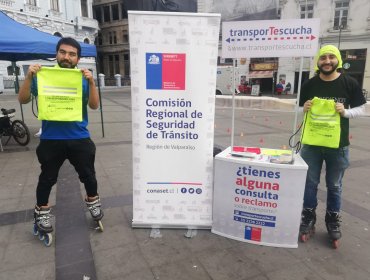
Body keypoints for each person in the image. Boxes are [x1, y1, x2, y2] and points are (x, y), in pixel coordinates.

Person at [18, 37, 103, 239]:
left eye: (72, 54)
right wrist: (29, 77)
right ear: (57, 54)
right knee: (46, 178)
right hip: (51, 139)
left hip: (79, 137)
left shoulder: (83, 77)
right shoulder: (42, 76)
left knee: (89, 175)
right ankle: (42, 213)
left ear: (78, 58)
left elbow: (94, 106)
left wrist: (91, 82)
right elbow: (23, 99)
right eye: (63, 52)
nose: (67, 57)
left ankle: (93, 202)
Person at [299, 45, 366, 245]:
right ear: (318, 62)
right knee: (310, 183)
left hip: (338, 144)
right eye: (323, 58)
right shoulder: (309, 84)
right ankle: (309, 216)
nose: (327, 61)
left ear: (337, 60)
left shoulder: (349, 83)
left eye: (331, 57)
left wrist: (345, 112)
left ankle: (333, 219)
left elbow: (362, 108)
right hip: (311, 143)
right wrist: (303, 108)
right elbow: (299, 107)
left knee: (334, 185)